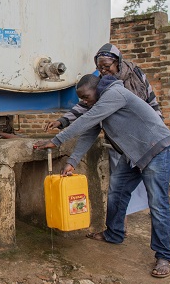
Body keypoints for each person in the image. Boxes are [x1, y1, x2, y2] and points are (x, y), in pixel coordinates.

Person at [34, 74, 170, 278]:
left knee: (158, 203)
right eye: (80, 98)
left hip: (156, 149)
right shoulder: (100, 102)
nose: (83, 101)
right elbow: (90, 131)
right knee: (116, 191)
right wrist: (72, 162)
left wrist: (57, 140)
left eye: (85, 96)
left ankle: (164, 255)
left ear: (97, 88)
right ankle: (114, 234)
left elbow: (87, 119)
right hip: (134, 153)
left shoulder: (115, 93)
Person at [45, 43, 162, 224]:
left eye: (107, 66)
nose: (104, 70)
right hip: (122, 143)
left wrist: (156, 133)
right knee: (118, 187)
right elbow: (88, 110)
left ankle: (155, 236)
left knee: (153, 191)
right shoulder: (100, 85)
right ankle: (118, 227)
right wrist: (63, 121)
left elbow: (152, 103)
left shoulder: (132, 78)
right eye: (99, 67)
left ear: (118, 62)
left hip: (147, 141)